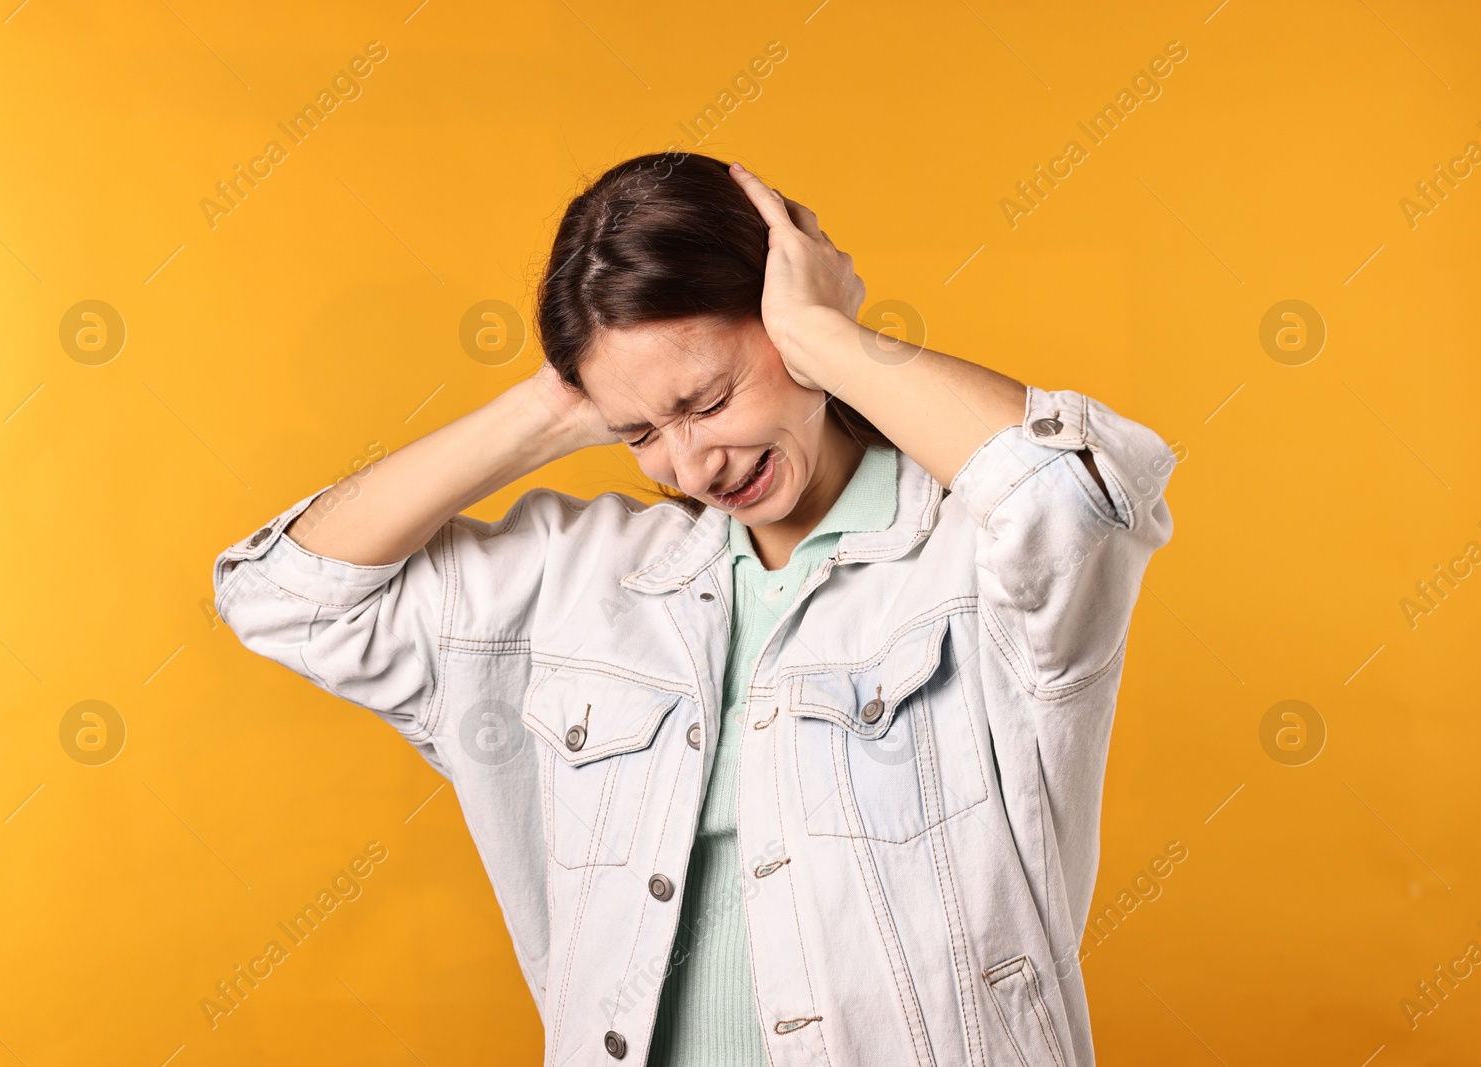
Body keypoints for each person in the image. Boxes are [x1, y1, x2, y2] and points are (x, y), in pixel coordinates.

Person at [213, 150, 1176, 1067]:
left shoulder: (972, 555)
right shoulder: (584, 584)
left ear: (781, 314)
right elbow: (282, 597)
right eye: (639, 432)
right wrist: (549, 411)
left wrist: (834, 340)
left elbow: (1081, 495)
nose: (692, 465)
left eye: (709, 399)